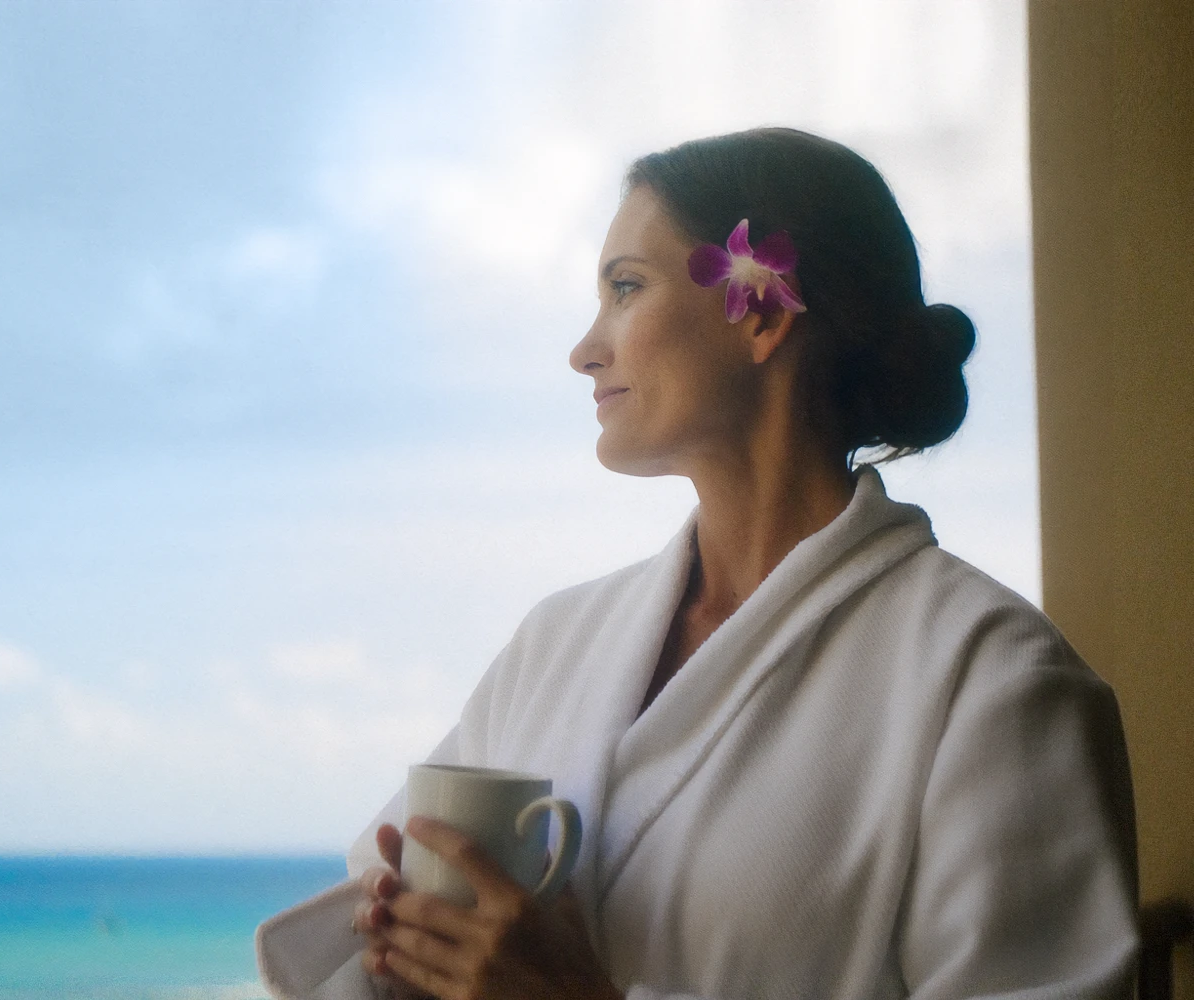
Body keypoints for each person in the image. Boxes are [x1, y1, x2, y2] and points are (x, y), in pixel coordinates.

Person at [254, 128, 1138, 1000]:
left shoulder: (992, 681)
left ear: (757, 310)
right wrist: (398, 945)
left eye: (625, 288)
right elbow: (388, 939)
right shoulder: (557, 644)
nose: (584, 349)